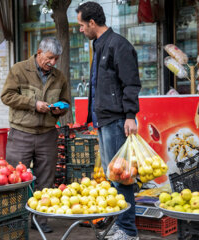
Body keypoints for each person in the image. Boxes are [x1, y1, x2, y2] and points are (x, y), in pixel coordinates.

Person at [76, 2, 141, 240]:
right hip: (103, 120)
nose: (81, 29)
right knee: (111, 176)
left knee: (121, 176)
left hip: (116, 120)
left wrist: (130, 115)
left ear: (92, 23)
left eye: (82, 25)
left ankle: (128, 231)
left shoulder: (118, 45)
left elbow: (131, 83)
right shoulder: (100, 45)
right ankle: (119, 224)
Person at [1, 37, 70, 233]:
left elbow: (65, 101)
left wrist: (60, 110)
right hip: (21, 133)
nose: (53, 62)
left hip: (48, 134)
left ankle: (40, 220)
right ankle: (14, 219)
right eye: (49, 58)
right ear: (39, 53)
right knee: (15, 178)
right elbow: (7, 96)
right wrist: (33, 104)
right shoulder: (19, 70)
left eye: (56, 59)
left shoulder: (60, 77)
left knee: (46, 180)